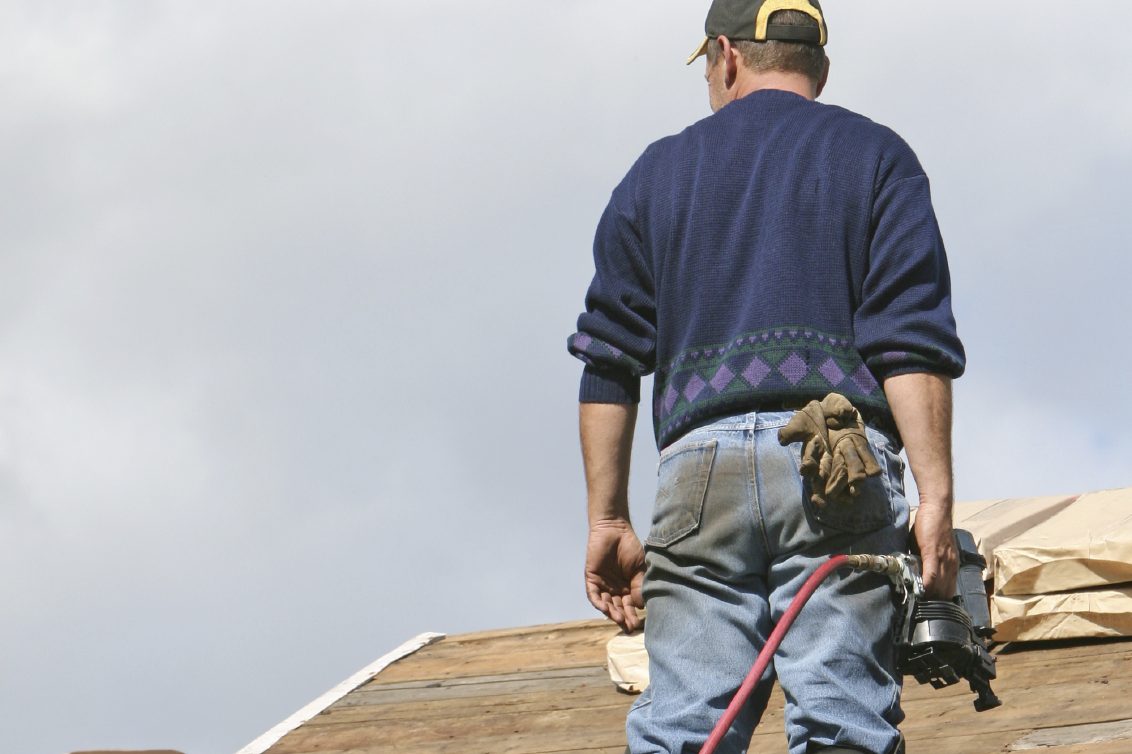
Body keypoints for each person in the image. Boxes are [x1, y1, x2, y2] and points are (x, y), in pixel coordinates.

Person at [566, 2, 965, 753]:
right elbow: (911, 343)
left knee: (684, 728)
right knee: (842, 722)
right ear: (819, 63)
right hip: (836, 468)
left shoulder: (656, 172)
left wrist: (609, 521)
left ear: (726, 56)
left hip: (698, 475)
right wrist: (935, 499)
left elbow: (608, 362)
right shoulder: (877, 156)